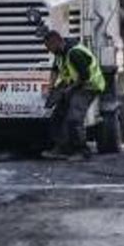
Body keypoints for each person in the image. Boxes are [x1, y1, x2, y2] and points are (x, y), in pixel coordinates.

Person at [42, 31, 106, 160]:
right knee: (57, 117)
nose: (49, 50)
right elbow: (55, 70)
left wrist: (68, 90)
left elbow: (85, 77)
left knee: (74, 118)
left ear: (56, 42)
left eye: (49, 47)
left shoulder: (75, 53)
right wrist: (50, 87)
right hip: (74, 85)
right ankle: (62, 148)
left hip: (89, 86)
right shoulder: (59, 52)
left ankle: (82, 151)